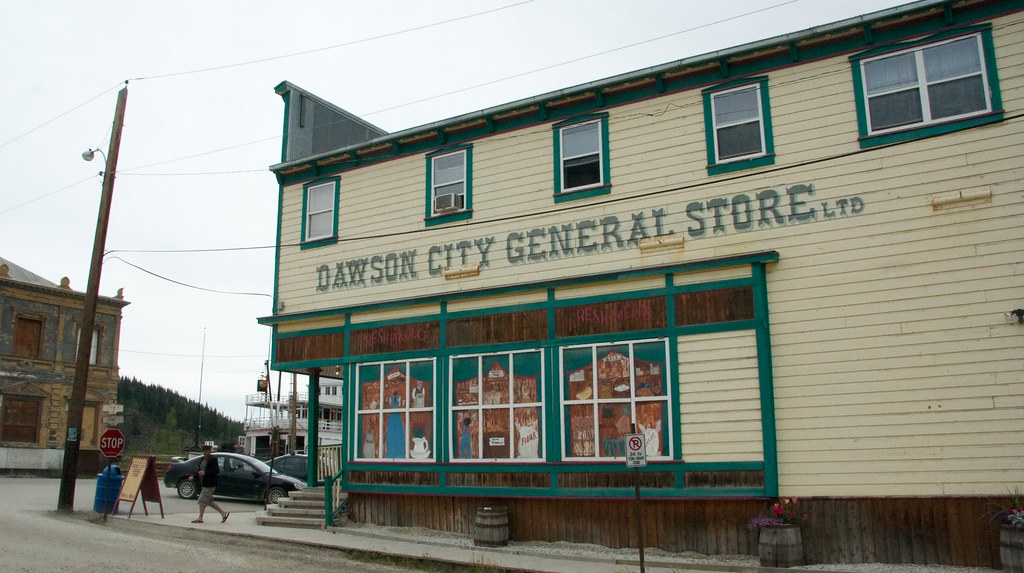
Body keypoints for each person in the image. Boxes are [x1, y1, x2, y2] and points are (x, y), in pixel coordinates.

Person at [188, 444, 229, 523]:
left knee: (201, 500)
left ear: (210, 451)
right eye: (203, 451)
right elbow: (200, 471)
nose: (204, 452)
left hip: (210, 483)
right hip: (204, 482)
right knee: (210, 502)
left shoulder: (213, 459)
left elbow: (216, 471)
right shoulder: (203, 459)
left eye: (206, 451)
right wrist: (194, 476)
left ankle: (200, 518)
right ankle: (223, 513)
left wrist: (205, 473)